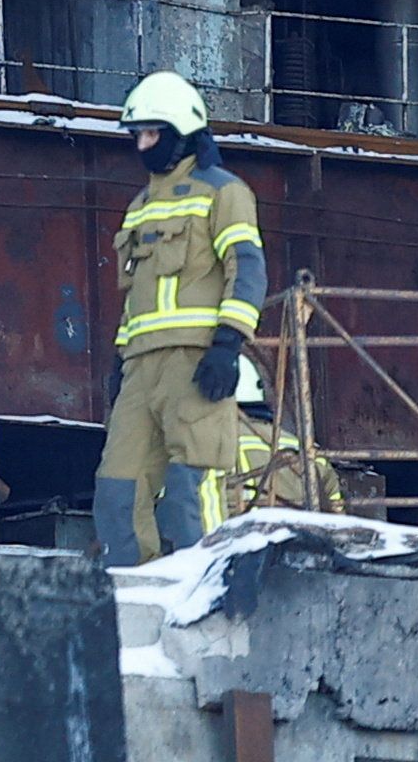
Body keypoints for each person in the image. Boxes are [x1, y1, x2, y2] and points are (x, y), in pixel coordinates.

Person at [99, 69, 270, 564]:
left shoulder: (223, 192)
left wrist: (228, 344)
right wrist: (119, 359)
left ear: (180, 133)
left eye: (152, 134)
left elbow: (248, 268)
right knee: (117, 490)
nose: (142, 145)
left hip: (194, 361)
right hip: (140, 368)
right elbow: (137, 296)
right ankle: (130, 602)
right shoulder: (139, 206)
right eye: (137, 135)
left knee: (187, 488)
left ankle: (205, 591)